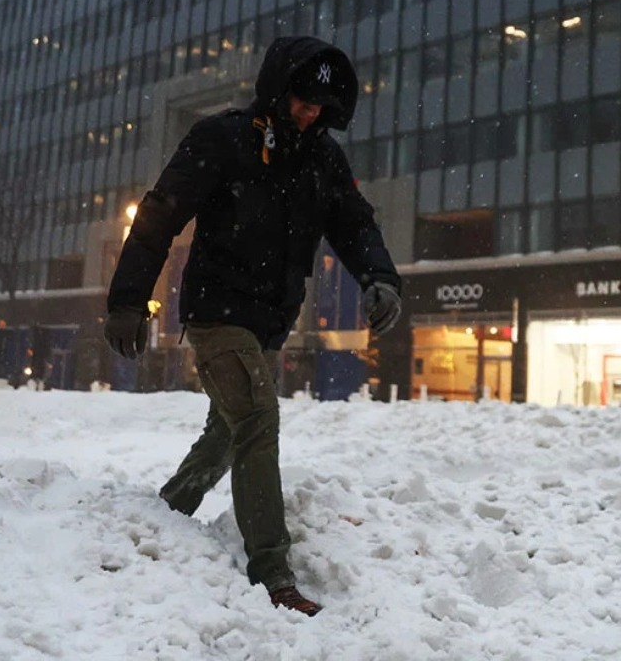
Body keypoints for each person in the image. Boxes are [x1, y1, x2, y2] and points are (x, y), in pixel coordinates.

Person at [104, 36, 402, 616]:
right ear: (277, 90)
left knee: (229, 430)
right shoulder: (223, 138)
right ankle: (274, 575)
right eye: (301, 101)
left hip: (271, 319)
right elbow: (161, 214)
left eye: (321, 107)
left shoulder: (323, 158)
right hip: (218, 312)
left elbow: (354, 223)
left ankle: (165, 515)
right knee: (259, 420)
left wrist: (379, 277)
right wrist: (128, 301)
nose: (310, 114)